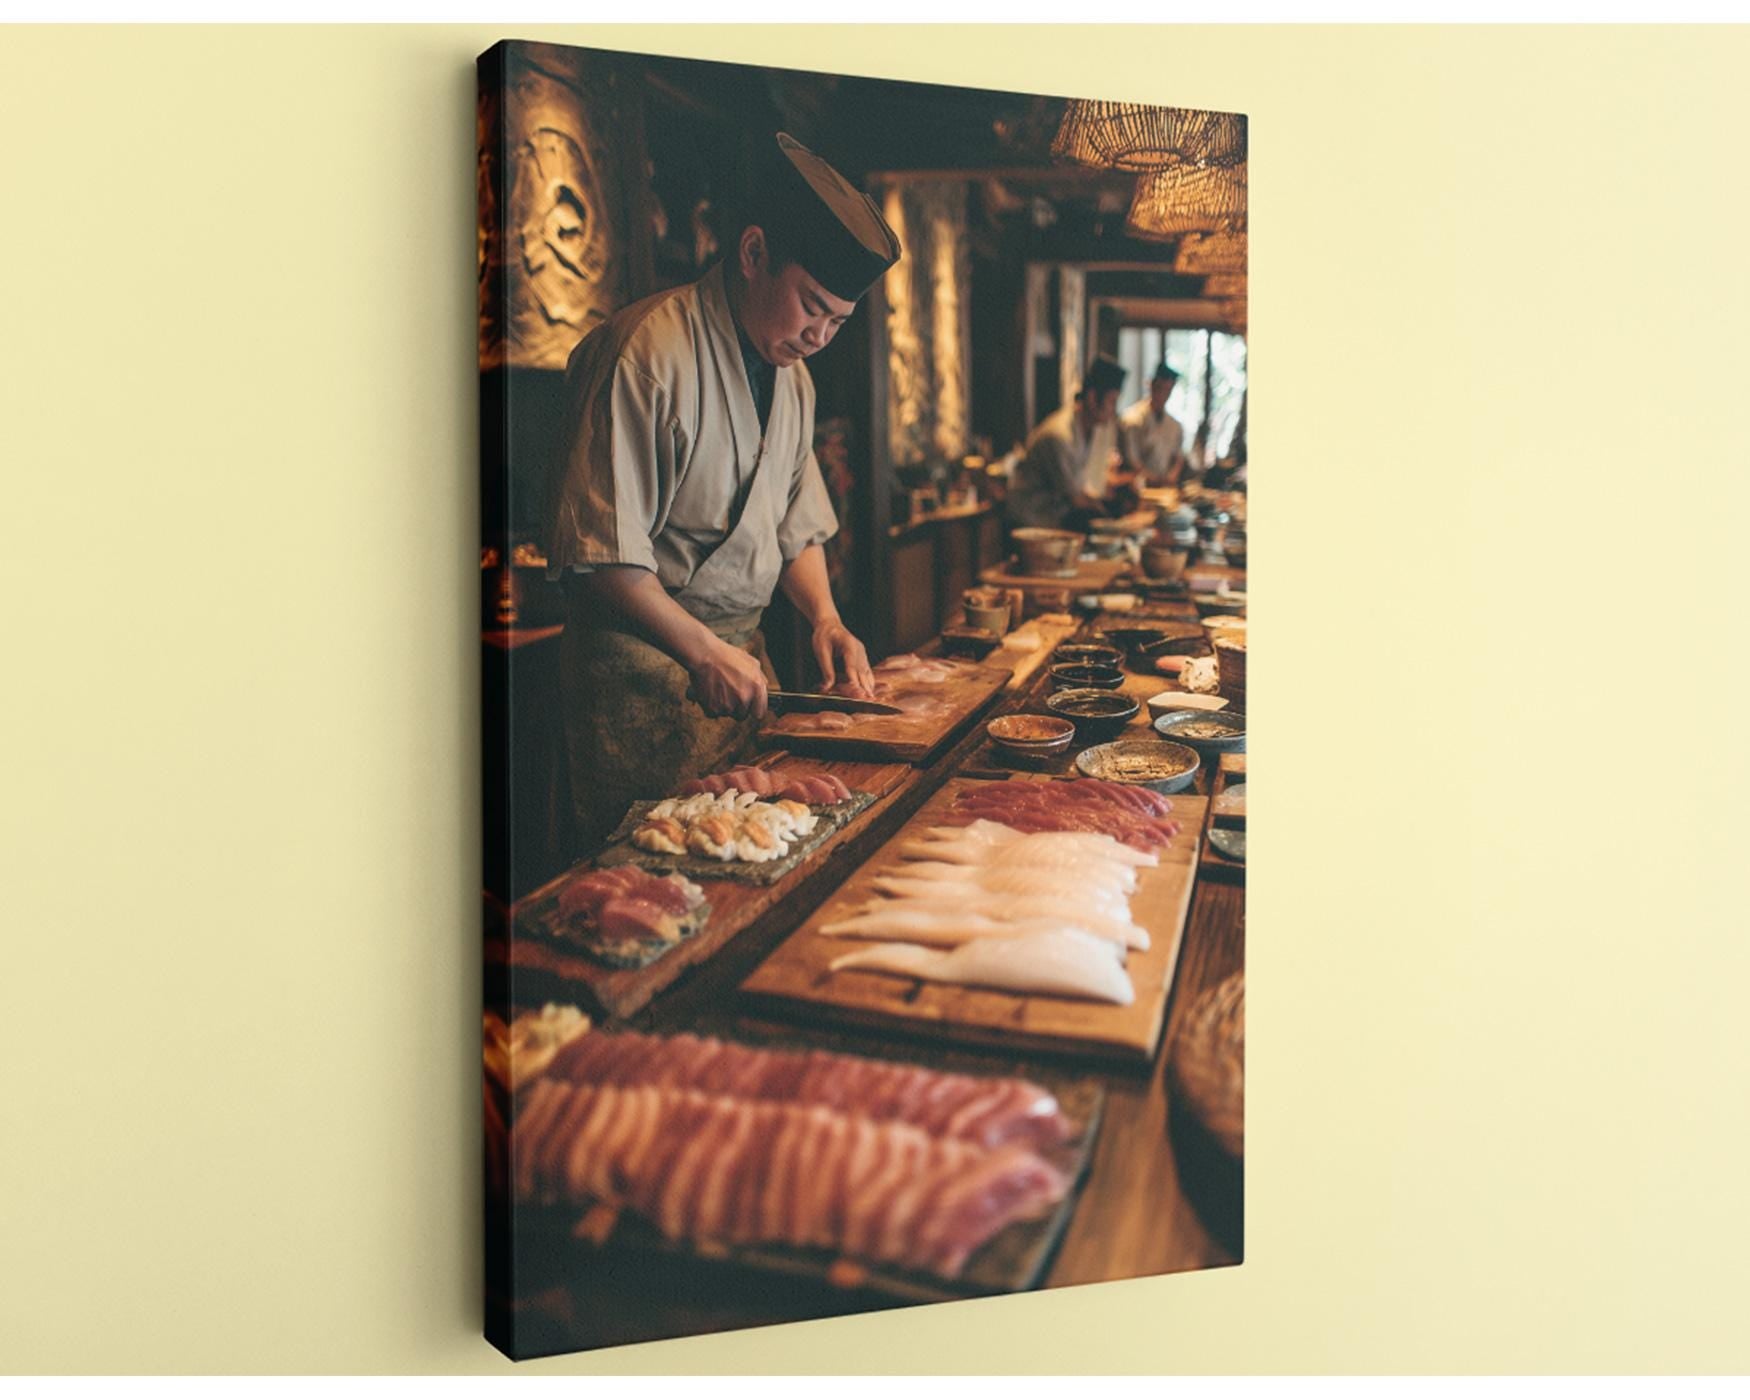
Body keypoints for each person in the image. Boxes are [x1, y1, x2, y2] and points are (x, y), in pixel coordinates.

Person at [543, 132, 901, 846]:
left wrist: (825, 618)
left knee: (745, 860)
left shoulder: (794, 380)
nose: (820, 336)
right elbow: (600, 554)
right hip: (634, 680)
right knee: (642, 890)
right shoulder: (646, 351)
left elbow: (792, 525)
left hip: (737, 681)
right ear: (753, 253)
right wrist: (702, 651)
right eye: (810, 305)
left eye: (837, 320)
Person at [1005, 356, 1128, 533]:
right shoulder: (1059, 435)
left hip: (1052, 519)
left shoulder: (1087, 428)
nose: (1113, 410)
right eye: (1112, 401)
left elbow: (1081, 487)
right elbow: (1076, 497)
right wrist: (1111, 522)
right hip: (1029, 523)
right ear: (1093, 398)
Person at [1119, 362, 1188, 488]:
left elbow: (1178, 457)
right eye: (1159, 388)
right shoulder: (1133, 419)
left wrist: (1172, 476)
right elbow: (1132, 460)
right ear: (1150, 385)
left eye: (1168, 390)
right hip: (1137, 488)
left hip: (1165, 489)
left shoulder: (1175, 426)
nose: (1163, 395)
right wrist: (1153, 479)